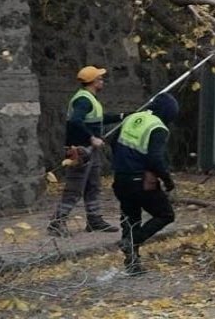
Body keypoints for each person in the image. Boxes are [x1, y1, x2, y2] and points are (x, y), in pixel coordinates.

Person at [47, 65, 125, 237]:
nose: (102, 81)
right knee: (74, 188)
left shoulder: (90, 99)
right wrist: (92, 138)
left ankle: (94, 220)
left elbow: (99, 118)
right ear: (93, 81)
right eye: (100, 78)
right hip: (80, 151)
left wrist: (123, 116)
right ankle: (56, 222)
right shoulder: (83, 100)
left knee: (93, 186)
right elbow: (75, 121)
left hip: (89, 151)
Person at [111, 93, 179, 276]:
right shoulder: (158, 128)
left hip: (121, 179)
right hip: (140, 181)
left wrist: (122, 164)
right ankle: (132, 242)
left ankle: (132, 264)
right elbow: (155, 158)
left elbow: (113, 141)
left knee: (130, 220)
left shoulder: (133, 118)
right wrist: (167, 180)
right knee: (165, 214)